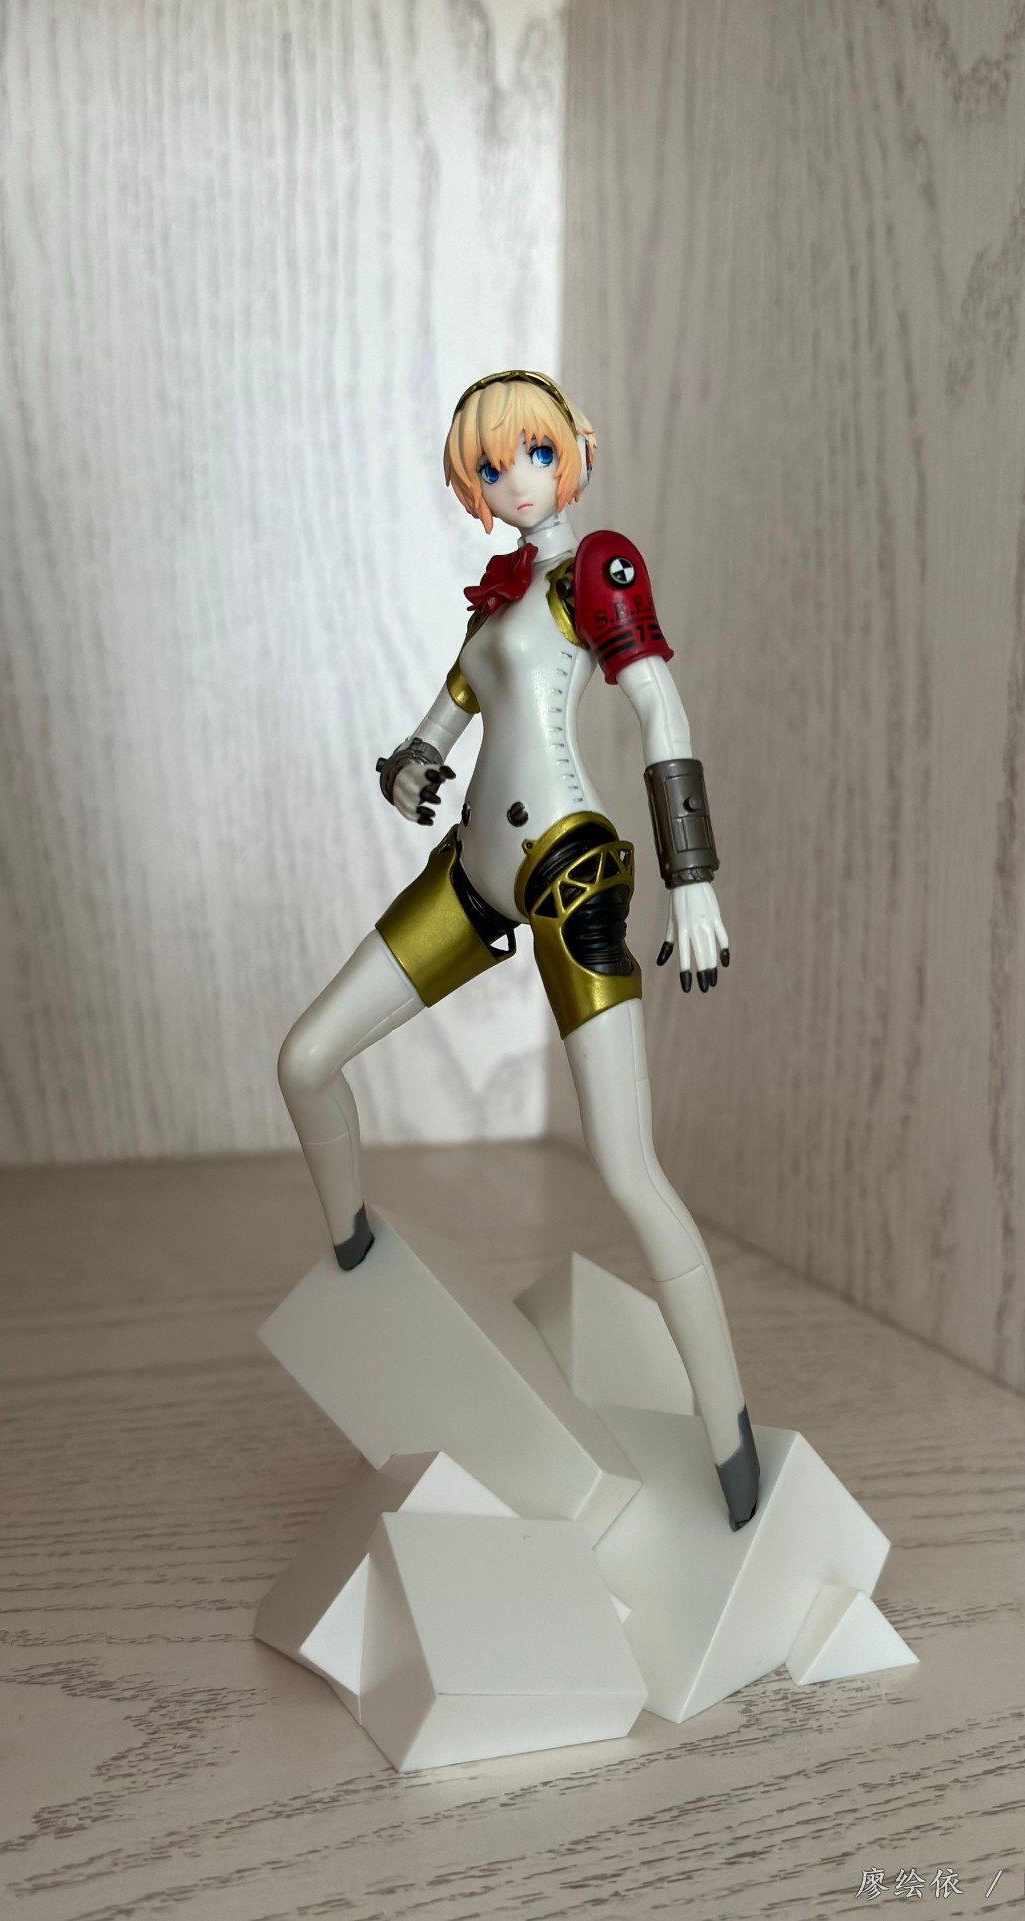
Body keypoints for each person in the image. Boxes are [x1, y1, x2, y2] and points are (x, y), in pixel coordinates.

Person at [277, 370, 759, 1529]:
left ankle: (731, 1432)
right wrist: (407, 769)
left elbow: (660, 709)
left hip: (565, 869)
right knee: (305, 1058)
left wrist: (692, 874)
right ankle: (352, 1251)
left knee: (628, 1170)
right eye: (490, 466)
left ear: (576, 447)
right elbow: (437, 728)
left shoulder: (597, 571)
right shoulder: (493, 604)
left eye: (533, 452)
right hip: (468, 873)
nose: (515, 479)